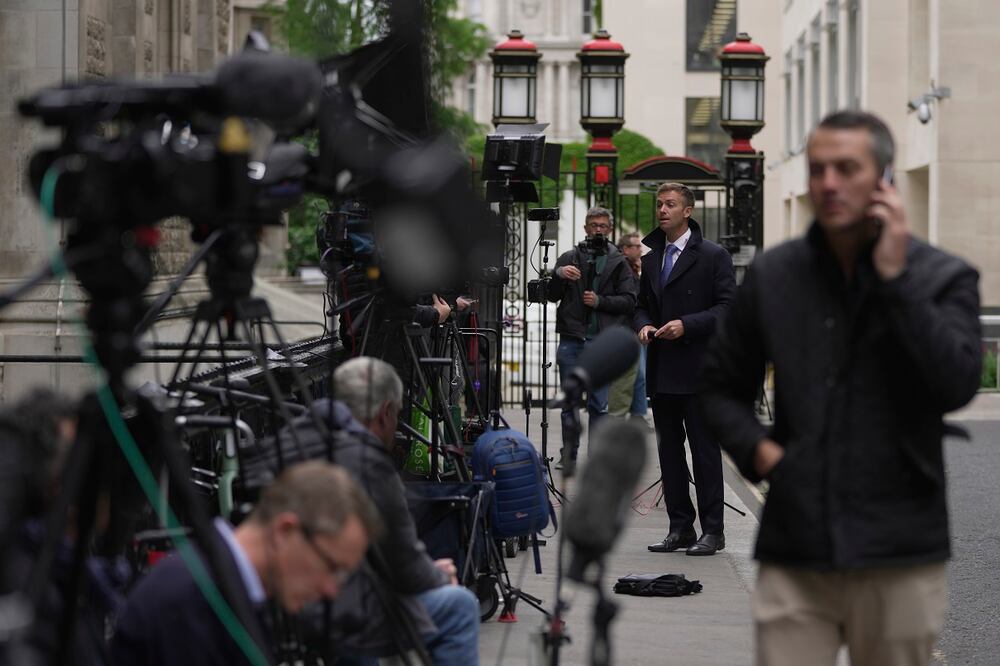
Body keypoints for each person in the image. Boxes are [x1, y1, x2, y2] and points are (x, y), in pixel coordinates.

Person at [700, 110, 982, 666]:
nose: (829, 183)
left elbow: (955, 385)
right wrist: (764, 455)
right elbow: (718, 388)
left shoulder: (941, 278)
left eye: (846, 168)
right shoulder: (775, 276)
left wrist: (897, 282)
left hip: (900, 546)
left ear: (885, 180)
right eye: (819, 169)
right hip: (796, 544)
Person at [289, 357, 480, 665]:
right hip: (331, 612)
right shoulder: (369, 463)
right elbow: (407, 568)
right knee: (458, 606)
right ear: (385, 412)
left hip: (281, 605)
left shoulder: (297, 439)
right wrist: (438, 576)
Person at [111, 461, 380, 666]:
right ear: (284, 531)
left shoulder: (225, 587)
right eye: (332, 568)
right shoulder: (195, 602)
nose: (331, 590)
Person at [635, 182, 736, 556]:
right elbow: (642, 303)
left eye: (670, 204)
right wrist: (643, 324)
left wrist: (686, 325)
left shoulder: (713, 255)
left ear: (688, 211)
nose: (662, 210)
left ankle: (714, 530)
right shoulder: (652, 256)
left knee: (705, 452)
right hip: (663, 369)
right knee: (669, 453)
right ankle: (681, 527)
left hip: (700, 370)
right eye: (659, 204)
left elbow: (728, 308)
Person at [548, 206, 638, 466]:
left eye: (602, 225)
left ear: (609, 229)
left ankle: (596, 456)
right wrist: (558, 275)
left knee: (599, 404)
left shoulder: (619, 261)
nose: (598, 230)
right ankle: (569, 454)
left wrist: (600, 301)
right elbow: (552, 296)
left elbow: (630, 301)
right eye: (593, 225)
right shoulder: (568, 257)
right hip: (571, 338)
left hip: (600, 341)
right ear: (585, 227)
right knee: (569, 400)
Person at [608, 231, 648, 421]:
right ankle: (628, 416)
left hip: (634, 327)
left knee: (640, 376)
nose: (640, 250)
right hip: (624, 327)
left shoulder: (633, 268)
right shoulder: (622, 267)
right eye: (637, 246)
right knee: (632, 375)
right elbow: (633, 298)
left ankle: (638, 415)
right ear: (626, 249)